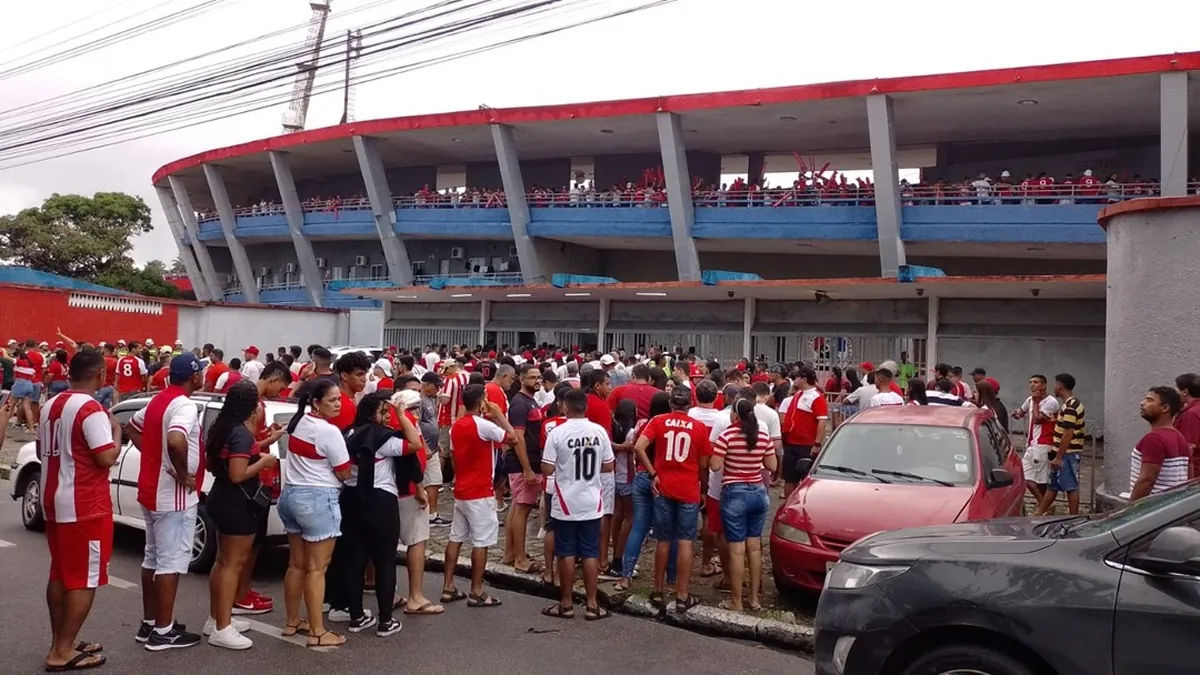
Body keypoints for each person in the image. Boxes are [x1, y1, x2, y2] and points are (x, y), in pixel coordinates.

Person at [38, 349, 120, 671]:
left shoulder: (49, 406)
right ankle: (61, 650)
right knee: (84, 579)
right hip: (84, 504)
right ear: (99, 374)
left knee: (59, 574)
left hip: (54, 499)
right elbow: (105, 457)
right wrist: (116, 432)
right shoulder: (91, 408)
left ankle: (63, 641)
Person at [123, 354, 206, 651]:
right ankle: (163, 630)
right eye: (201, 373)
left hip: (151, 489)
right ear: (194, 377)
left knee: (153, 558)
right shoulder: (184, 405)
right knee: (170, 562)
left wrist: (152, 454)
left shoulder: (159, 399)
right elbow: (175, 440)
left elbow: (131, 426)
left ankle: (151, 622)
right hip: (172, 495)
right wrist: (183, 473)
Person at [277, 379, 352, 648]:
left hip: (291, 496)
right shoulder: (329, 432)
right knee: (317, 568)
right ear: (316, 403)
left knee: (296, 564)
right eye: (332, 400)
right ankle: (318, 632)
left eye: (338, 399)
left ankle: (292, 620)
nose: (338, 404)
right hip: (318, 499)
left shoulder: (300, 422)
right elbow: (344, 471)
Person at [342, 391, 424, 636]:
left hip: (351, 498)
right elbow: (415, 444)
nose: (388, 417)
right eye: (384, 412)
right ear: (372, 414)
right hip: (380, 499)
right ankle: (385, 621)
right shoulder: (382, 438)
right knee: (385, 560)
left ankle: (356, 616)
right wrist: (403, 414)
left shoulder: (348, 434)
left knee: (355, 560)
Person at [203, 380, 273, 650]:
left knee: (222, 562)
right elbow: (238, 474)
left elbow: (216, 465)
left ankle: (217, 618)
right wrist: (264, 461)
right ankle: (223, 627)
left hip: (219, 497)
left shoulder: (220, 427)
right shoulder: (241, 433)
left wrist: (265, 441)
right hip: (237, 502)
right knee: (233, 564)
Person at [538, 388, 616, 620]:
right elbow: (609, 465)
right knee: (590, 553)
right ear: (586, 408)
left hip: (565, 501)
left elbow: (547, 468)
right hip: (592, 500)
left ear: (565, 407)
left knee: (566, 553)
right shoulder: (599, 432)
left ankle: (566, 603)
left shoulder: (558, 433)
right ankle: (592, 604)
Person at [440, 384, 518, 607]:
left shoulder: (456, 426)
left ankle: (448, 586)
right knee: (481, 541)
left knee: (456, 537)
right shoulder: (483, 426)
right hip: (480, 490)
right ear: (482, 401)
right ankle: (477, 590)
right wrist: (499, 416)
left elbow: (454, 456)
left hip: (463, 488)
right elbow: (513, 438)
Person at [634, 386, 711, 612]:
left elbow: (639, 447)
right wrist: (703, 489)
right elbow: (704, 464)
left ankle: (658, 591)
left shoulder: (658, 421)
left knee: (663, 540)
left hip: (663, 486)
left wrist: (652, 474)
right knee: (685, 541)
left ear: (671, 404)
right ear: (690, 404)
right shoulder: (698, 427)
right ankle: (682, 594)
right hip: (688, 489)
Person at [232, 361, 292, 616]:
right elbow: (251, 444)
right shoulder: (252, 404)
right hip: (255, 478)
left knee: (253, 544)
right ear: (273, 378)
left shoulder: (256, 404)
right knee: (248, 546)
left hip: (260, 478)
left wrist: (270, 435)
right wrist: (271, 440)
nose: (281, 391)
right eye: (282, 385)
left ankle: (244, 590)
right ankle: (240, 594)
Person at [710, 398, 777, 612]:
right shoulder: (762, 435)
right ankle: (754, 599)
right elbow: (772, 465)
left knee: (737, 550)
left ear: (735, 415)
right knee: (755, 548)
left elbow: (715, 465)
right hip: (758, 492)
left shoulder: (727, 435)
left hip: (735, 493)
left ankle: (736, 601)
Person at [388, 390, 445, 617]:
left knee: (389, 546)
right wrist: (420, 487)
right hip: (409, 490)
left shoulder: (390, 421)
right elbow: (413, 457)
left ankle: (390, 593)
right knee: (417, 542)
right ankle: (415, 596)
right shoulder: (405, 422)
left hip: (394, 489)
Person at [502, 364, 542, 575]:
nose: (537, 381)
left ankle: (511, 553)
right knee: (523, 509)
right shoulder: (519, 404)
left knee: (517, 508)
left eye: (539, 377)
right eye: (532, 377)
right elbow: (518, 438)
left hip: (528, 462)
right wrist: (526, 468)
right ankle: (519, 558)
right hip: (523, 464)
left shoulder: (530, 401)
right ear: (522, 379)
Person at [1035, 374, 1085, 516]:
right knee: (1053, 485)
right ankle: (1039, 512)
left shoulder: (1070, 406)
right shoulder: (1071, 405)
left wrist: (1059, 456)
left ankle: (1073, 517)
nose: (1054, 388)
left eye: (1055, 385)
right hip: (1063, 452)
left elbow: (1068, 433)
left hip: (1067, 453)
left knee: (1070, 487)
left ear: (1059, 386)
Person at [1129, 387, 1190, 501]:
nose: (1142, 403)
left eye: (1150, 400)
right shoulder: (1180, 437)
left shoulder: (1154, 439)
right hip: (1170, 507)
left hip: (1150, 509)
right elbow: (1189, 476)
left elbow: (1147, 480)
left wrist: (1128, 511)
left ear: (1165, 408)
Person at [1012, 374, 1060, 504]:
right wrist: (1017, 413)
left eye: (1036, 382)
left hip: (1043, 444)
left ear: (1044, 385)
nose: (1032, 385)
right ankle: (1044, 505)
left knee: (1040, 480)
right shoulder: (1030, 400)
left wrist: (1036, 401)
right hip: (1032, 444)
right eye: (1030, 382)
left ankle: (1044, 506)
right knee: (1026, 477)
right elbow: (1021, 411)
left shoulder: (1050, 402)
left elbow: (1038, 419)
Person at [780, 366, 828, 496]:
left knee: (805, 479)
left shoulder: (816, 398)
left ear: (804, 379)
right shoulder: (798, 394)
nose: (794, 380)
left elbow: (822, 422)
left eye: (797, 377)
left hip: (806, 445)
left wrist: (817, 444)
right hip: (791, 443)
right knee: (789, 478)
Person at [1174, 373, 1200, 479]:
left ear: (1185, 392)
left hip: (1194, 473)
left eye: (1176, 389)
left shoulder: (1191, 414)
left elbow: (1188, 447)